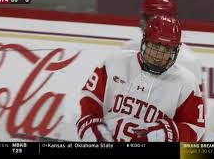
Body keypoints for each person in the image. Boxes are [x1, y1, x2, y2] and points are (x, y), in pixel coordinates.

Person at [76, 15, 205, 142]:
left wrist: (160, 136)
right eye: (155, 46)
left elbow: (194, 127)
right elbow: (90, 103)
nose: (159, 55)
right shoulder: (114, 63)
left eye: (167, 48)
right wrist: (98, 138)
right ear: (145, 42)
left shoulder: (186, 82)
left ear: (176, 51)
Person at [123, 0, 203, 90]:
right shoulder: (127, 49)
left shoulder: (189, 61)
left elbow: (196, 102)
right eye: (144, 17)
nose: (142, 22)